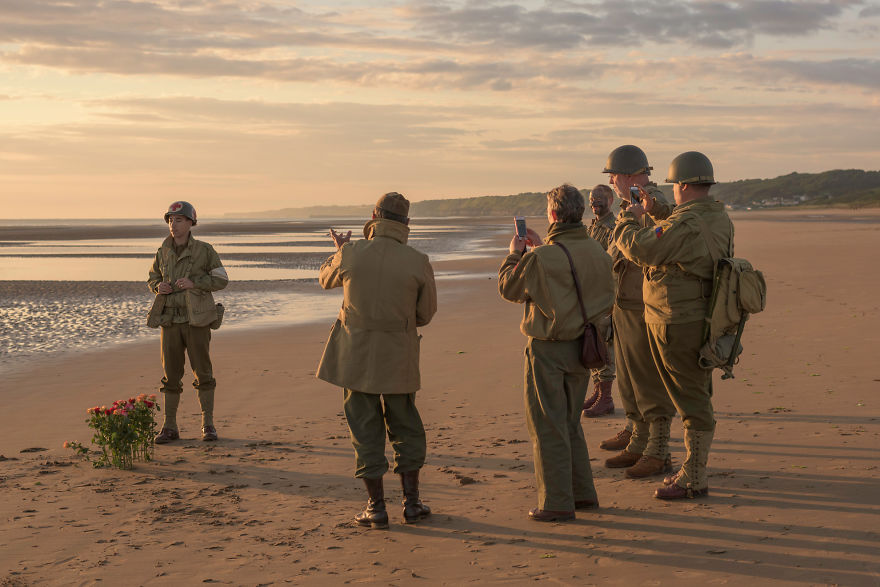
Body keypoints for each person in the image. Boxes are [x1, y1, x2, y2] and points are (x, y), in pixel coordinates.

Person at [613, 151, 734, 498]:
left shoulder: (687, 224)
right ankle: (690, 470)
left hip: (677, 321)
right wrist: (657, 212)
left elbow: (640, 249)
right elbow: (680, 230)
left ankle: (694, 477)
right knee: (695, 394)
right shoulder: (716, 217)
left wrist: (629, 218)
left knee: (690, 400)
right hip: (703, 317)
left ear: (681, 184)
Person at [316, 192, 437, 529]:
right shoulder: (417, 260)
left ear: (373, 217)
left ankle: (376, 507)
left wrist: (340, 250)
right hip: (398, 356)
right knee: (406, 427)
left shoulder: (352, 254)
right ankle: (412, 504)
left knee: (364, 430)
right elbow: (425, 314)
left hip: (355, 358)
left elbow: (324, 279)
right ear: (406, 224)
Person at [499, 184, 614, 521]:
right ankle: (582, 494)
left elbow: (509, 288)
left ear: (552, 214)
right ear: (579, 212)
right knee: (569, 422)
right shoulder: (598, 252)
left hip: (549, 348)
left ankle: (556, 501)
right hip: (585, 345)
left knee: (548, 424)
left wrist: (515, 254)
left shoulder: (542, 257)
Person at [599, 145, 679, 480]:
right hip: (626, 302)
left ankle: (658, 450)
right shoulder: (630, 204)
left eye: (614, 175)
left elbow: (648, 245)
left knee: (648, 381)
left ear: (630, 174)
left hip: (644, 304)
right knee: (630, 380)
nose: (612, 181)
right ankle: (639, 440)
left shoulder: (651, 203)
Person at [147, 201, 228, 443]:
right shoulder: (162, 251)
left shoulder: (205, 250)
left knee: (203, 372)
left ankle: (208, 425)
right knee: (170, 375)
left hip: (197, 321)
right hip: (170, 321)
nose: (174, 224)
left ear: (191, 223)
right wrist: (156, 287)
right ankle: (169, 427)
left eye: (179, 220)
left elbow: (222, 279)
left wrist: (196, 283)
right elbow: (152, 278)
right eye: (170, 220)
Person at [582, 184, 617, 417]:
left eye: (600, 198)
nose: (595, 202)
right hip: (592, 295)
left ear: (611, 200)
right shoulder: (593, 226)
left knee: (604, 346)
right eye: (592, 199)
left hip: (605, 295)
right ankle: (597, 390)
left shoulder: (613, 227)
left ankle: (606, 397)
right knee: (593, 342)